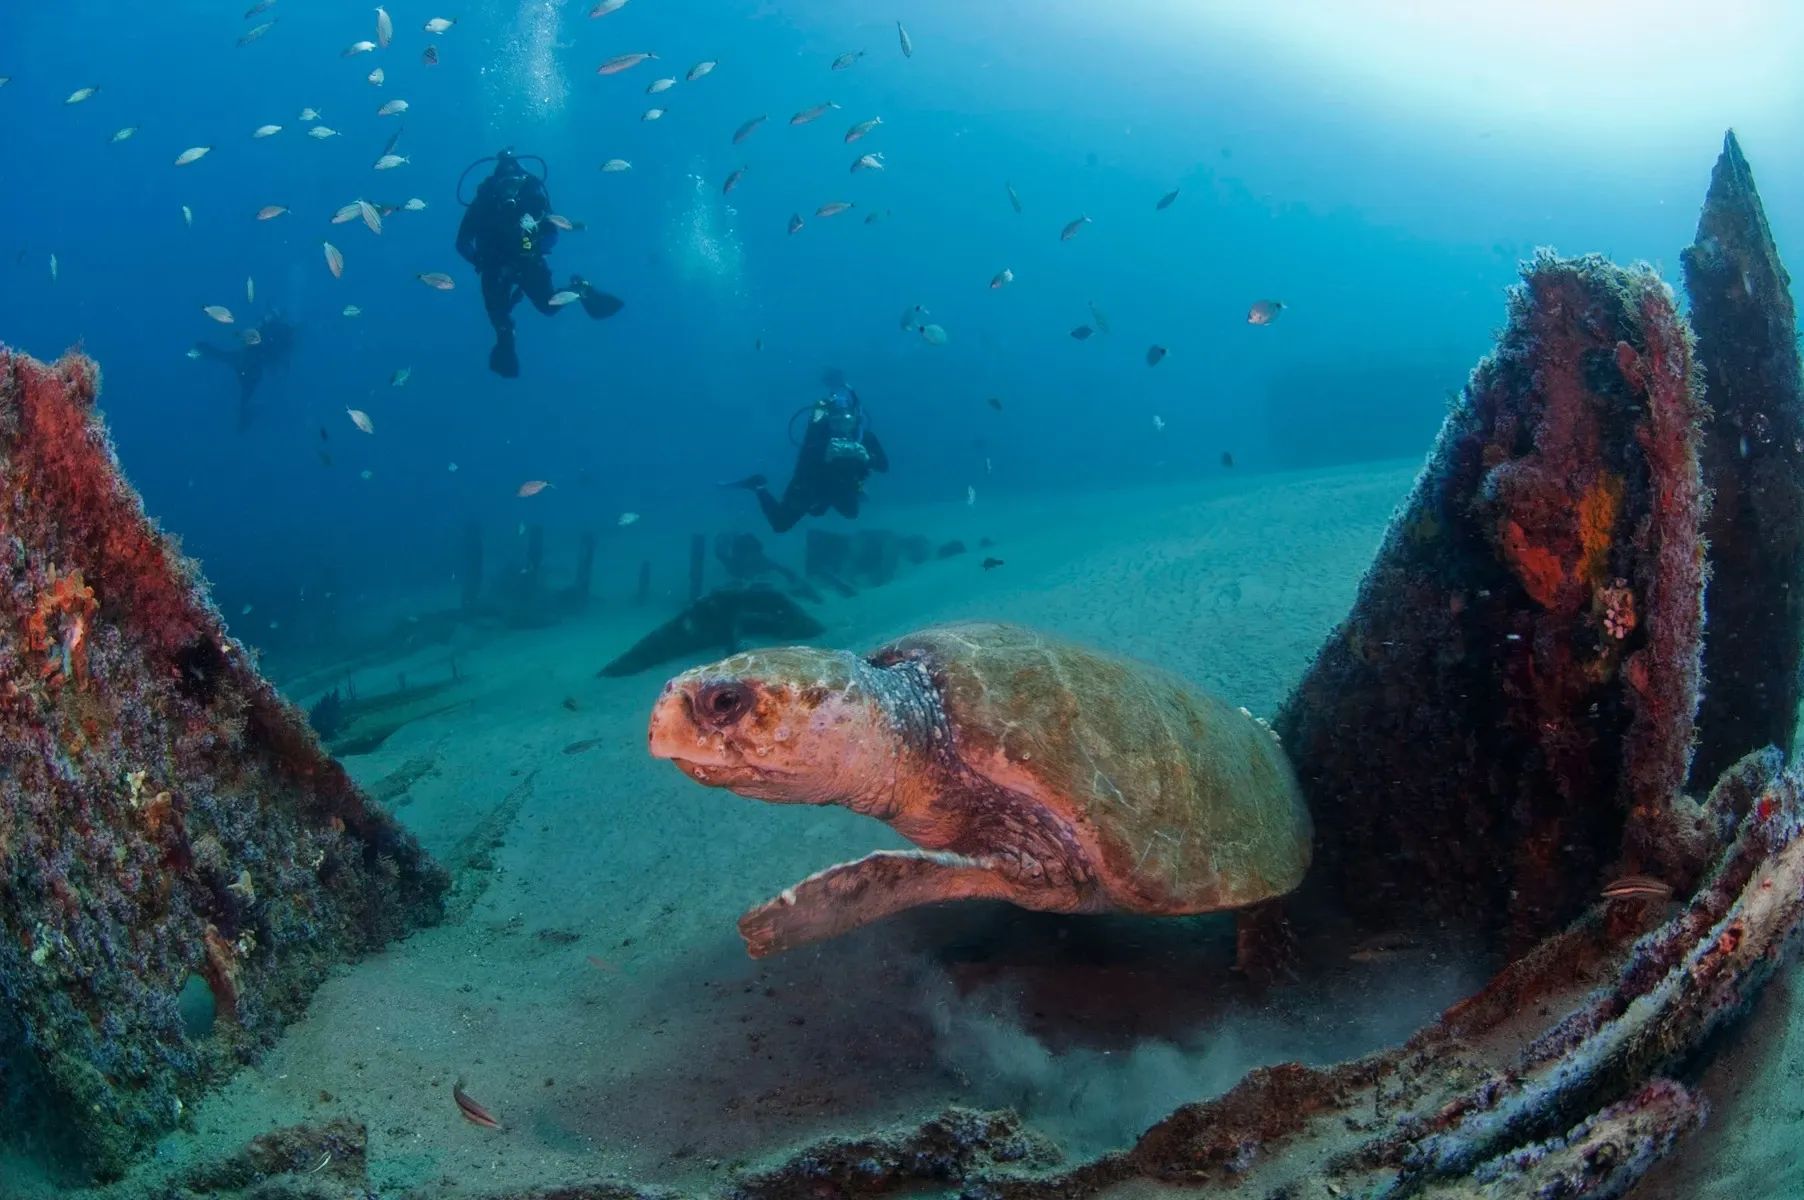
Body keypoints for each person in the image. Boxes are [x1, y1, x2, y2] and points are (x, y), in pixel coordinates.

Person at [454, 149, 622, 378]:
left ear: (523, 181)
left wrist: (535, 247)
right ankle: (506, 339)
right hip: (493, 266)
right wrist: (477, 259)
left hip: (528, 262)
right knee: (498, 317)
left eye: (515, 182)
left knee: (549, 307)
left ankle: (580, 289)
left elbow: (553, 233)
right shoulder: (482, 203)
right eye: (504, 183)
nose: (510, 189)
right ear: (495, 184)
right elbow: (461, 242)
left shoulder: (533, 198)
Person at [724, 375, 889, 534]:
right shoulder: (818, 436)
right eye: (836, 422)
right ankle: (758, 485)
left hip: (843, 484)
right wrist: (824, 457)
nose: (841, 427)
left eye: (847, 421)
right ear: (829, 421)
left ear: (855, 419)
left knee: (851, 513)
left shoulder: (865, 438)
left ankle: (838, 499)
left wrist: (867, 458)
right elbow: (802, 468)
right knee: (779, 524)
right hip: (813, 482)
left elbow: (884, 466)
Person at [193, 311, 297, 431]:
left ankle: (207, 350)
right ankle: (243, 418)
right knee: (245, 385)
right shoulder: (280, 334)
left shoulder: (271, 330)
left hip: (252, 359)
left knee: (230, 360)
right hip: (256, 360)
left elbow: (260, 345)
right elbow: (274, 355)